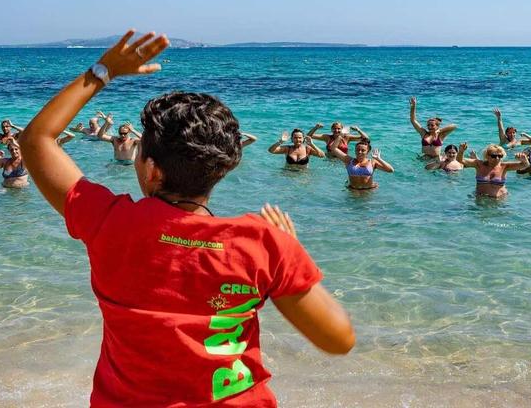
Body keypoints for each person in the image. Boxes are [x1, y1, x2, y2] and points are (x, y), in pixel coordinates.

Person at [18, 30, 354, 407]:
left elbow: (36, 140)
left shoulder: (108, 222)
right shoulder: (262, 245)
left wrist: (104, 71)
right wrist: (288, 253)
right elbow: (338, 339)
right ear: (223, 167)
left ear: (152, 171)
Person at [457, 143, 527, 198]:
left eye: (500, 156)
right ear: (487, 156)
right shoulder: (479, 164)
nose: (497, 158)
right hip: (481, 198)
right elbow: (460, 160)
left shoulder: (504, 166)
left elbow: (525, 165)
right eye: (493, 156)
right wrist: (461, 151)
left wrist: (523, 158)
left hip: (499, 200)